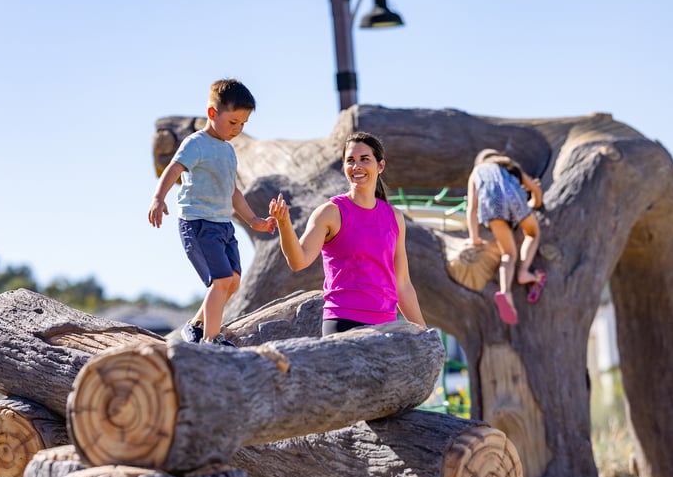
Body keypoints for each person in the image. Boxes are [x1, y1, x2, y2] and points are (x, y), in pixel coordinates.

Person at [148, 78, 277, 346]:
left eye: (243, 124)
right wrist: (159, 198)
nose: (237, 129)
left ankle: (196, 325)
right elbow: (173, 169)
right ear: (212, 113)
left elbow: (233, 191)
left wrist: (253, 219)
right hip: (198, 223)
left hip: (223, 225)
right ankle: (211, 339)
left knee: (233, 282)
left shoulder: (229, 151)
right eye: (233, 122)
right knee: (221, 280)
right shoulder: (196, 143)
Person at [268, 131, 427, 336]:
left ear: (380, 166)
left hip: (386, 326)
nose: (356, 166)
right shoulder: (329, 212)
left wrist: (424, 333)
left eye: (364, 159)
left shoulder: (394, 217)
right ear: (344, 167)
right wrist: (284, 223)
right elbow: (298, 261)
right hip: (342, 322)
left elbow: (402, 283)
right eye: (350, 160)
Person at [466, 148, 545, 325]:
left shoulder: (477, 172)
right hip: (514, 199)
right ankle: (524, 272)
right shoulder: (508, 165)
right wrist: (535, 203)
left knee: (508, 253)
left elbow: (472, 208)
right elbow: (535, 190)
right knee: (533, 233)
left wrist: (474, 238)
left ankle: (505, 292)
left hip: (492, 207)